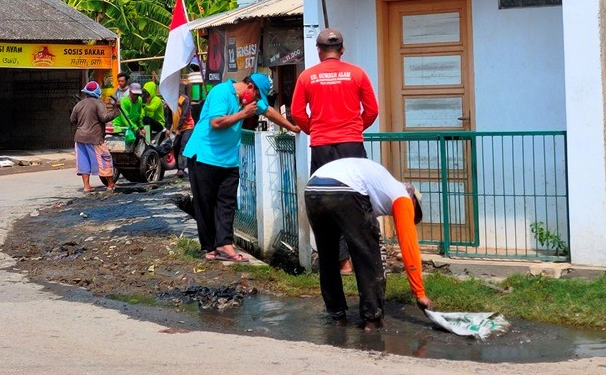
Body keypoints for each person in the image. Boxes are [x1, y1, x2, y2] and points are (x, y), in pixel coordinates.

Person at [305, 157, 433, 330]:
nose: (410, 217)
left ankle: (337, 317)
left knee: (328, 255)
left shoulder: (381, 185)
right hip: (347, 189)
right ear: (414, 201)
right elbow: (409, 246)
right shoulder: (403, 196)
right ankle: (372, 319)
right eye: (414, 214)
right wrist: (419, 293)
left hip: (313, 188)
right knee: (370, 255)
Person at [290, 28, 380, 274]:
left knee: (325, 200)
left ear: (319, 51)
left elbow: (297, 113)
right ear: (342, 50)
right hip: (351, 145)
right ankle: (360, 257)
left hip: (322, 147)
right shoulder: (357, 74)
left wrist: (315, 130)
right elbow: (372, 110)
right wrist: (354, 128)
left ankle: (341, 260)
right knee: (358, 199)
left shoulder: (307, 77)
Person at [183, 76, 300, 263]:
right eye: (256, 96)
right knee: (205, 204)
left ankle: (224, 244)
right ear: (250, 87)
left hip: (229, 161)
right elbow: (216, 123)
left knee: (227, 203)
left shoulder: (249, 101)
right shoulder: (221, 92)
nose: (255, 102)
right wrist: (243, 114)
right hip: (204, 156)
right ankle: (210, 247)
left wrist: (292, 127)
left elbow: (269, 111)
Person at [70, 81, 119, 193]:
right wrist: (116, 110)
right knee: (105, 159)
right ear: (97, 92)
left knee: (83, 161)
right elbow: (105, 118)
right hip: (95, 137)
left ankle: (87, 186)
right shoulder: (98, 103)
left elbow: (72, 120)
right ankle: (111, 185)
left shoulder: (79, 105)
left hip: (80, 138)